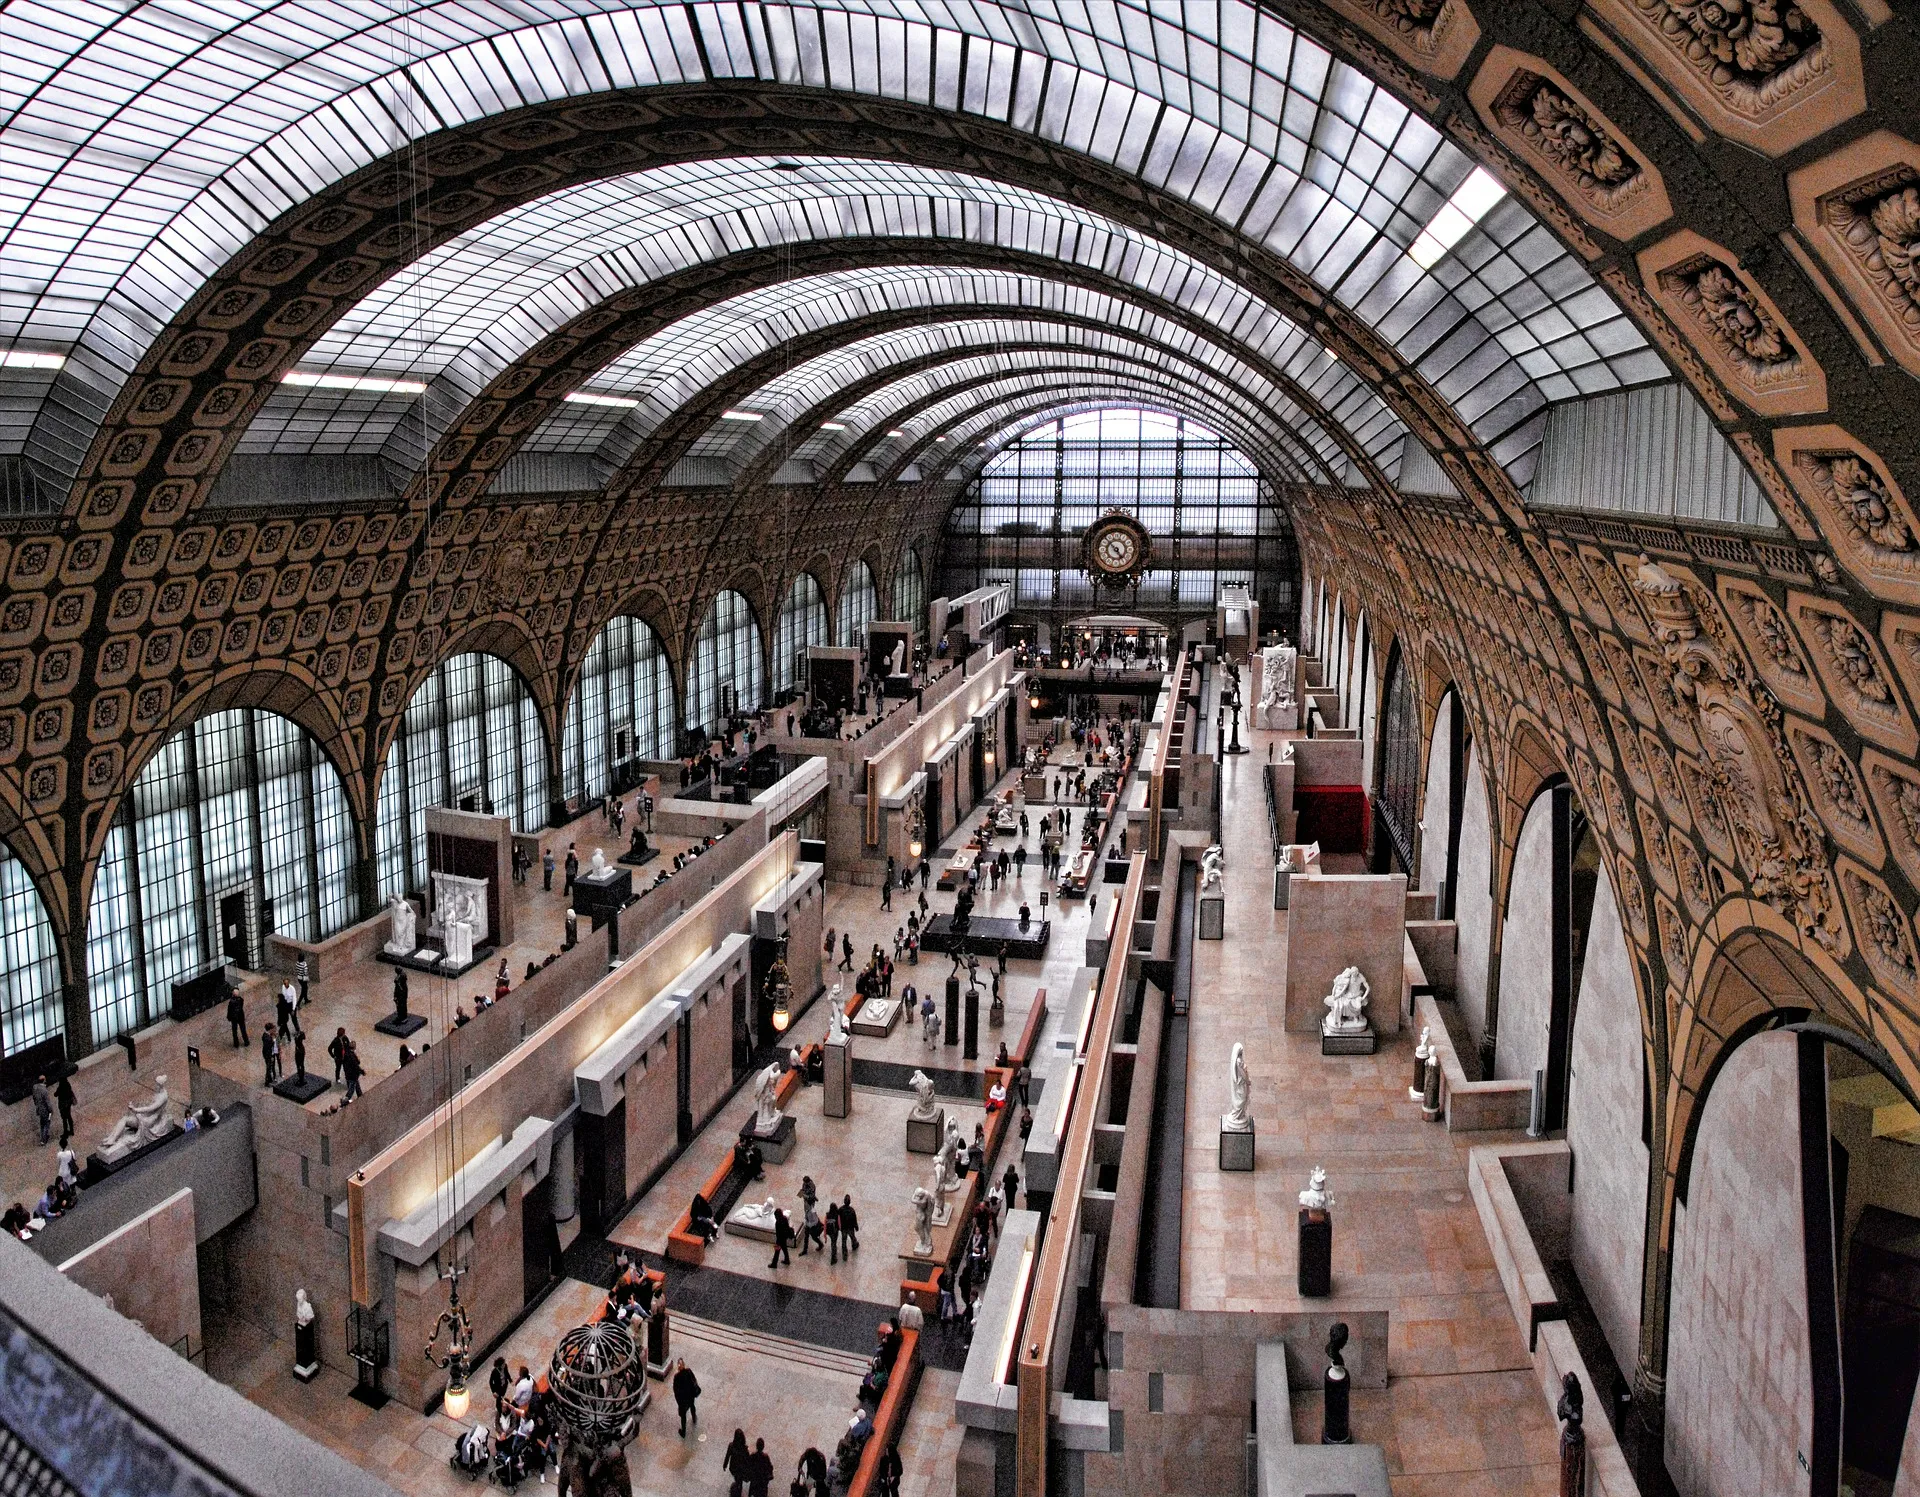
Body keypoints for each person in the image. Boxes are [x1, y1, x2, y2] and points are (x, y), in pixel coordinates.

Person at [724, 1429, 753, 1497]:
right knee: (739, 1481)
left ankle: (737, 1487)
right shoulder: (744, 1449)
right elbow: (748, 1460)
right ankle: (738, 1490)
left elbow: (727, 1456)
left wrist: (725, 1465)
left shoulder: (731, 1446)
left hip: (733, 1468)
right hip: (741, 1469)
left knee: (737, 1478)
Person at [54, 1073, 74, 1146]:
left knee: (64, 1119)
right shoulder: (68, 1084)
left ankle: (65, 1132)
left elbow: (55, 1094)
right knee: (69, 1116)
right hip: (68, 1103)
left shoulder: (60, 1087)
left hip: (62, 1105)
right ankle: (71, 1130)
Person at [30, 1076, 50, 1146]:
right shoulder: (44, 1090)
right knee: (47, 1123)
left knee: (42, 1124)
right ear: (44, 1081)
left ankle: (42, 1137)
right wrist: (50, 1109)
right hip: (45, 1109)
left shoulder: (35, 1087)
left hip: (39, 1108)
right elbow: (47, 1101)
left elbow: (34, 1098)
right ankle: (44, 1139)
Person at [824, 1199, 842, 1264]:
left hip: (829, 1232)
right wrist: (840, 1229)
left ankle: (834, 1255)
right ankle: (833, 1258)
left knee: (832, 1241)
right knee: (834, 1243)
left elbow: (825, 1224)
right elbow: (839, 1224)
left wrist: (825, 1234)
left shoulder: (827, 1214)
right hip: (835, 1231)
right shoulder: (837, 1215)